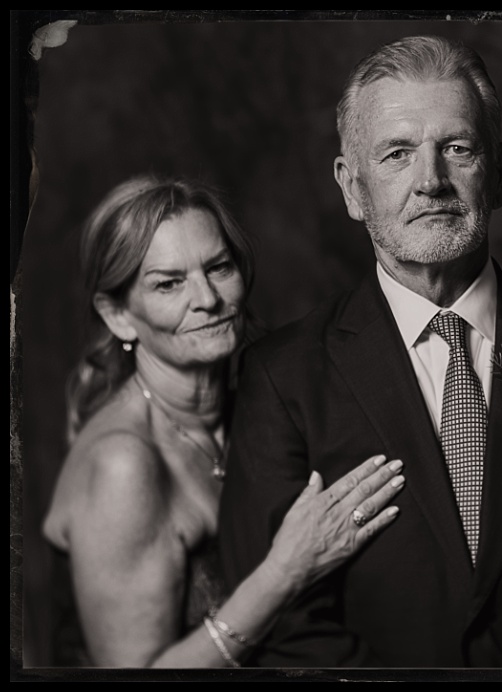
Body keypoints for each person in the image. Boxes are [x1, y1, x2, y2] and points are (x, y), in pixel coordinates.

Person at [217, 34, 502, 668]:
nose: (430, 181)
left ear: (498, 174)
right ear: (352, 187)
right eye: (397, 153)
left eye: (457, 149)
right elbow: (280, 617)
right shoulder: (282, 377)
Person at [42, 176, 405, 667]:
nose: (208, 299)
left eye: (218, 267)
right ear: (118, 316)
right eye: (169, 283)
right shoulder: (122, 466)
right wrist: (283, 572)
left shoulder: (259, 403)